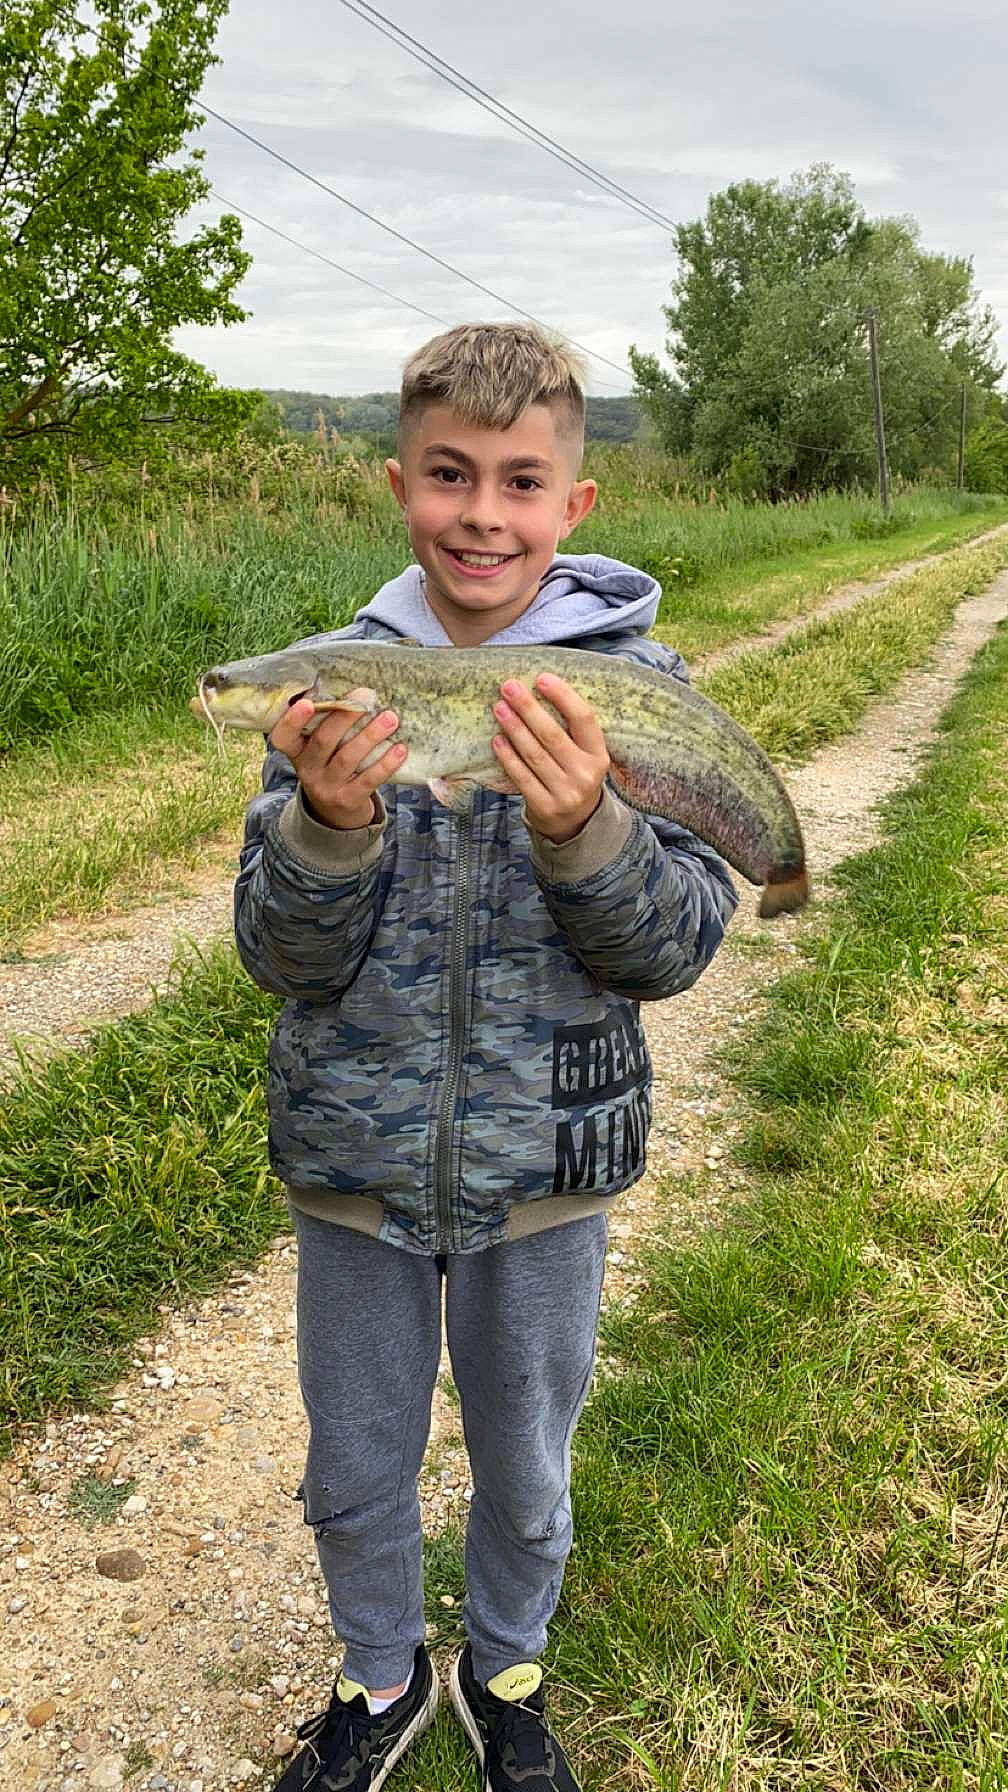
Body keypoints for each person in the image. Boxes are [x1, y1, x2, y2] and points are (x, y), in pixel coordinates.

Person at [233, 322, 737, 1792]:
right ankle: (379, 1675)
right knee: (356, 1460)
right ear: (401, 485)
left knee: (526, 1458)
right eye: (450, 476)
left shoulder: (642, 685)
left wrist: (588, 830)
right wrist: (329, 827)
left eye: (521, 483)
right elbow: (282, 955)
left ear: (575, 508)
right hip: (353, 1161)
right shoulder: (335, 685)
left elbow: (674, 948)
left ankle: (506, 1669)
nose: (482, 514)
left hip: (551, 1167)